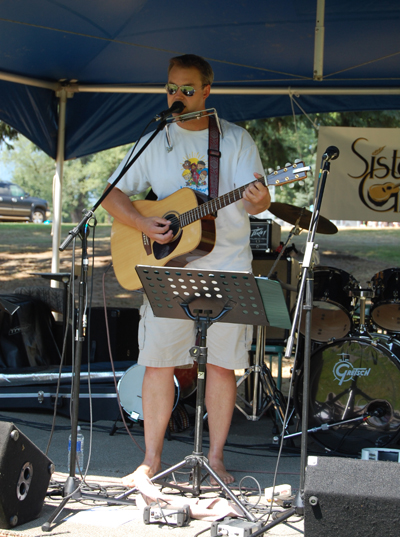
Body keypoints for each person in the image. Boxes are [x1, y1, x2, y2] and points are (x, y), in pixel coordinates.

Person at [101, 54, 271, 486]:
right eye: (171, 88)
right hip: (170, 266)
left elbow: (260, 199)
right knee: (157, 362)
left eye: (187, 89)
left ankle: (215, 459)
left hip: (228, 262)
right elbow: (110, 194)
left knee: (221, 364)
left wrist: (257, 200)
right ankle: (150, 461)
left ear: (208, 90)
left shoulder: (234, 140)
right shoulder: (157, 139)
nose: (177, 97)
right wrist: (142, 224)